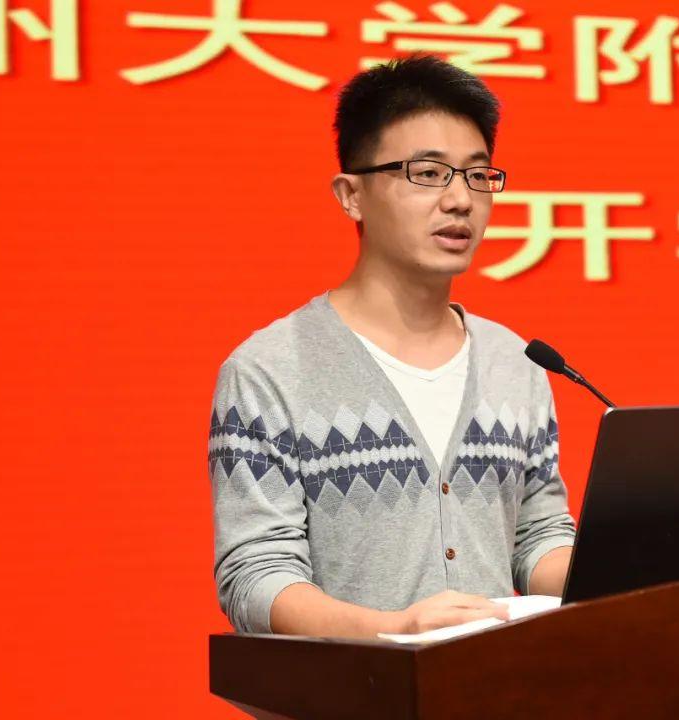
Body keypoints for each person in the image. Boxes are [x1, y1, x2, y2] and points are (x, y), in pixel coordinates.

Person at [208, 54, 575, 639]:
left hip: (495, 681)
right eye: (428, 173)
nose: (460, 200)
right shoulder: (269, 370)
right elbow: (255, 577)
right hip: (355, 685)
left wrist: (630, 566)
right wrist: (392, 631)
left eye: (477, 175)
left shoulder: (517, 363)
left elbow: (537, 537)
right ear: (351, 195)